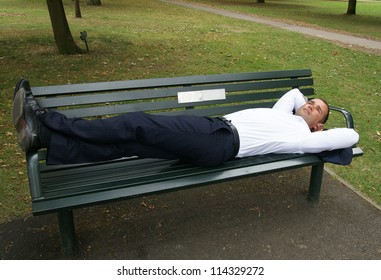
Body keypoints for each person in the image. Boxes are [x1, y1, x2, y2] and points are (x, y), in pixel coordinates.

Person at [12, 79, 359, 167]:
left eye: (317, 110)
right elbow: (296, 92)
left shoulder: (303, 138)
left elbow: (352, 132)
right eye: (312, 104)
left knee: (137, 123)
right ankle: (48, 144)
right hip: (212, 131)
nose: (310, 106)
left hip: (220, 141)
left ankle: (46, 122)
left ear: (318, 126)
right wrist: (307, 107)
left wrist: (318, 129)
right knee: (131, 144)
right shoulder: (285, 113)